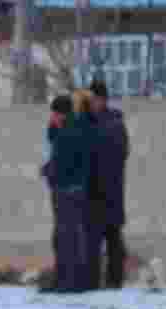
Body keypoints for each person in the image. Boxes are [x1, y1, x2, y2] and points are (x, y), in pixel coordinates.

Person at [42, 92, 96, 293]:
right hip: (68, 190)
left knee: (67, 238)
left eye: (54, 114)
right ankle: (64, 279)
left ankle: (70, 282)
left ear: (61, 114)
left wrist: (48, 171)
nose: (52, 117)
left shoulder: (70, 132)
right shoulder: (67, 129)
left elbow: (63, 163)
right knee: (63, 237)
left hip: (68, 191)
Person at [88, 79, 130, 289]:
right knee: (92, 239)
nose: (91, 104)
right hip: (93, 191)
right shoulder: (89, 121)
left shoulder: (114, 123)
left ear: (102, 99)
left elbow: (121, 153)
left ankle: (115, 280)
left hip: (110, 189)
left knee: (113, 237)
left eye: (94, 99)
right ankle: (94, 280)